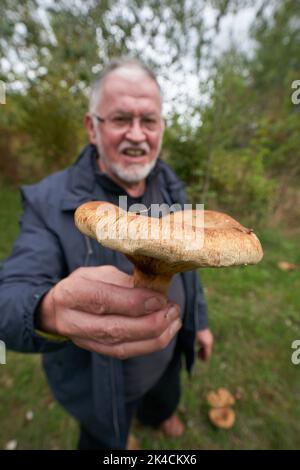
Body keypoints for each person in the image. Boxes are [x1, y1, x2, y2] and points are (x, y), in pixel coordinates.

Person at [0, 57, 213, 450]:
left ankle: (160, 414)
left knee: (165, 398)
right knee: (105, 441)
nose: (137, 135)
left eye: (149, 121)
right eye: (120, 119)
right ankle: (119, 435)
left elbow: (190, 266)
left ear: (162, 127)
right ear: (92, 127)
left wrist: (198, 319)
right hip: (100, 381)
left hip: (168, 352)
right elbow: (8, 297)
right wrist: (48, 309)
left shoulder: (170, 186)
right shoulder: (48, 200)